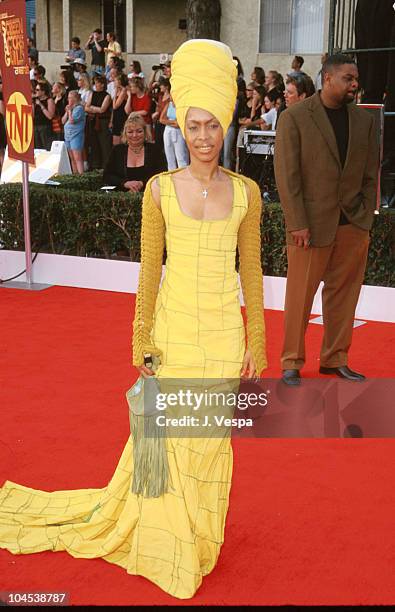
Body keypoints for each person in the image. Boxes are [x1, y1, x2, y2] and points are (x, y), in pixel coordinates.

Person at [0, 38, 267, 601]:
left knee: (208, 445)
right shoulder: (159, 192)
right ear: (179, 122)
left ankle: (191, 533)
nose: (202, 137)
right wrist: (141, 340)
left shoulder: (247, 194)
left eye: (211, 126)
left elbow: (252, 274)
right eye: (192, 125)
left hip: (222, 337)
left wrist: (257, 344)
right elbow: (149, 276)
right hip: (173, 334)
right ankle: (159, 537)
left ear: (226, 126)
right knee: (159, 438)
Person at [274, 53, 379, 386]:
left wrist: (363, 219)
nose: (354, 84)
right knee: (299, 297)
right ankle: (291, 361)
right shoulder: (295, 118)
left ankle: (335, 359)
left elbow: (369, 173)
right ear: (328, 79)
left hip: (352, 224)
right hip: (309, 226)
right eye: (348, 78)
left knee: (344, 296)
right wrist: (296, 222)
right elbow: (287, 176)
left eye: (355, 78)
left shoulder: (364, 121)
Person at [103, 113, 166, 190]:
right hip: (122, 197)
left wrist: (142, 183)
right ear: (125, 134)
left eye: (139, 131)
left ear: (145, 132)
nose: (134, 135)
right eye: (130, 132)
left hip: (150, 196)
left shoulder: (155, 150)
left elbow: (162, 174)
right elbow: (107, 175)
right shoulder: (117, 150)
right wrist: (124, 183)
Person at [85, 74, 112, 169]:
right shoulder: (92, 94)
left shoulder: (107, 96)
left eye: (97, 83)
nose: (95, 85)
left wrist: (92, 108)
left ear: (102, 84)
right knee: (94, 143)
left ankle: (106, 165)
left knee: (104, 144)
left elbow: (102, 109)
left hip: (103, 122)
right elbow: (86, 107)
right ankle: (95, 165)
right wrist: (93, 108)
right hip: (92, 122)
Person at [160, 93, 189, 169]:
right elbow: (161, 119)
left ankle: (184, 176)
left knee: (181, 156)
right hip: (167, 131)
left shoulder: (182, 106)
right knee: (169, 157)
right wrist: (173, 122)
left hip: (179, 132)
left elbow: (179, 124)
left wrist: (168, 122)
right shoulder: (168, 105)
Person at [62, 90, 86, 174]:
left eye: (70, 98)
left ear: (75, 98)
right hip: (68, 136)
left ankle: (81, 175)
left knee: (77, 157)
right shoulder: (71, 108)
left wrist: (69, 111)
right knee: (72, 157)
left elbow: (72, 120)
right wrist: (67, 111)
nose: (68, 100)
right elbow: (63, 121)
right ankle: (75, 175)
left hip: (76, 135)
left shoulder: (79, 108)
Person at [125, 77, 153, 141]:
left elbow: (145, 111)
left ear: (137, 87)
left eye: (132, 87)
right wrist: (129, 97)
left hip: (145, 124)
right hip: (135, 124)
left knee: (147, 142)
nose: (130, 89)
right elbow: (127, 111)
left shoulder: (146, 98)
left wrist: (134, 113)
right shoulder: (133, 97)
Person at [32, 81, 55, 150]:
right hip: (36, 126)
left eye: (38, 90)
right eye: (35, 89)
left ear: (43, 91)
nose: (36, 91)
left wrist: (41, 105)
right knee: (38, 148)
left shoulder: (49, 100)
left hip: (45, 126)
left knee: (46, 147)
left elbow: (50, 116)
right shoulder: (35, 101)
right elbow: (32, 115)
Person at [110, 74, 129, 146]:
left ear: (119, 81)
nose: (114, 82)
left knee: (118, 140)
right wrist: (111, 120)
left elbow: (115, 106)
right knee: (115, 139)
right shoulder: (119, 90)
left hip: (121, 116)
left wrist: (115, 94)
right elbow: (113, 109)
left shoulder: (123, 91)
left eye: (115, 80)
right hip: (116, 116)